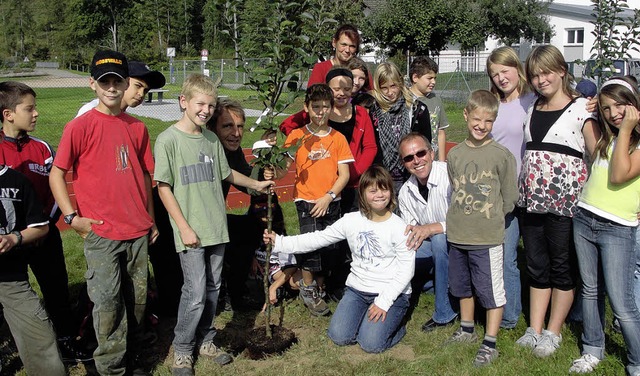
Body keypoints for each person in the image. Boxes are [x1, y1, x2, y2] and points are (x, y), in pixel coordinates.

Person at [153, 74, 273, 375]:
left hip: (216, 229)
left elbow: (228, 175)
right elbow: (163, 187)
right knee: (193, 292)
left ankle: (206, 340)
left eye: (210, 105)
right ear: (184, 102)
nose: (205, 110)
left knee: (212, 289)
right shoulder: (168, 140)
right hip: (190, 231)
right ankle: (182, 348)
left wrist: (258, 185)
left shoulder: (210, 140)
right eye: (200, 104)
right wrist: (183, 226)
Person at [49, 50, 157, 375]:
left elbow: (146, 175)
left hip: (137, 231)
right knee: (108, 305)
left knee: (136, 302)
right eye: (105, 81)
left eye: (118, 81)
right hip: (101, 233)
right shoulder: (79, 127)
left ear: (125, 84)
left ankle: (133, 355)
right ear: (92, 84)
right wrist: (72, 218)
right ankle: (109, 366)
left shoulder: (137, 127)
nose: (112, 87)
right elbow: (57, 173)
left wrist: (150, 218)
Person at [263, 165, 414, 353]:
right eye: (373, 190)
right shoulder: (351, 220)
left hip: (390, 292)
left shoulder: (400, 227)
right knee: (339, 336)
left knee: (370, 344)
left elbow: (406, 270)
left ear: (391, 192)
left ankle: (396, 325)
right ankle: (370, 321)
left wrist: (383, 302)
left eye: (384, 189)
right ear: (363, 194)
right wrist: (280, 242)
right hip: (358, 291)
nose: (379, 195)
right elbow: (317, 239)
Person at [515, 45, 599, 358]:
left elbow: (597, 154)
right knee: (537, 266)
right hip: (531, 201)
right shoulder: (532, 107)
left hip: (566, 204)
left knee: (562, 267)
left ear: (562, 71)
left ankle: (554, 331)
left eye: (547, 72)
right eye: (535, 75)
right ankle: (534, 328)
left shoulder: (582, 109)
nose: (541, 80)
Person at [0, 81, 92, 362]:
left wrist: (46, 224)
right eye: (30, 108)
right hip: (8, 241)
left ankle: (65, 339)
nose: (36, 113)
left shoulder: (42, 149)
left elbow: (57, 189)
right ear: (8, 114)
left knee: (56, 288)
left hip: (44, 234)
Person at [568, 77, 640, 376]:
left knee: (621, 302)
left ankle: (636, 361)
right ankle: (592, 348)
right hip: (585, 218)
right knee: (589, 291)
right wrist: (589, 108)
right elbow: (579, 118)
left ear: (634, 103)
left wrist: (624, 129)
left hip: (618, 228)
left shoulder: (631, 141)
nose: (613, 113)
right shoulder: (605, 137)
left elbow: (620, 175)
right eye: (607, 108)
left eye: (620, 105)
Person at [445, 90, 518, 367]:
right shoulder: (455, 154)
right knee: (463, 286)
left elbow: (510, 197)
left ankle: (490, 341)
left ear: (494, 122)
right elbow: (456, 187)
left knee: (490, 290)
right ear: (466, 116)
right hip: (458, 234)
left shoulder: (501, 155)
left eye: (488, 122)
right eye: (476, 119)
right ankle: (466, 329)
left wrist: (491, 216)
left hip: (486, 237)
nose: (481, 126)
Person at [282, 83, 354, 316]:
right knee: (310, 246)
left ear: (332, 109)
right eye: (316, 107)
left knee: (331, 248)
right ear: (306, 108)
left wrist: (329, 196)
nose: (321, 112)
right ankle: (308, 286)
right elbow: (283, 167)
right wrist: (273, 168)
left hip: (330, 201)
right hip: (306, 201)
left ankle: (319, 285)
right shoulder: (297, 136)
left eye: (325, 107)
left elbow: (344, 175)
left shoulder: (338, 138)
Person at [486, 46, 537, 330]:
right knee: (505, 257)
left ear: (517, 68)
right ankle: (509, 315)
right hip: (499, 193)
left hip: (531, 190)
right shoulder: (492, 105)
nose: (501, 78)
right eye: (495, 74)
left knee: (535, 256)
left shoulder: (534, 101)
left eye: (505, 71)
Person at [0, 163, 66, 376]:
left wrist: (14, 238)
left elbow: (41, 227)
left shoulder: (17, 181)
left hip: (10, 279)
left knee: (41, 337)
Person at [397, 132, 457, 331]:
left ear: (432, 153)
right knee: (402, 251)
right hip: (431, 244)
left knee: (440, 240)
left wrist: (433, 227)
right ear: (404, 163)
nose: (416, 161)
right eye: (409, 158)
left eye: (421, 153)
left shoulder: (451, 175)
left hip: (460, 241)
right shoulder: (406, 191)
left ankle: (445, 312)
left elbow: (467, 218)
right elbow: (411, 230)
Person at [370, 61, 431, 192]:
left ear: (400, 83)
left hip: (412, 174)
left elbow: (426, 142)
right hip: (384, 176)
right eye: (384, 88)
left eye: (393, 86)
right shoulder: (373, 112)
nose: (390, 92)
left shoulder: (417, 109)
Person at [76, 61, 166, 116]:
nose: (142, 94)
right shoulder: (90, 111)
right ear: (125, 82)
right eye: (138, 86)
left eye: (146, 90)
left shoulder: (126, 120)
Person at [307, 25, 372, 90]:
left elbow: (372, 95)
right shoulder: (321, 69)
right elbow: (311, 97)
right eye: (343, 45)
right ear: (334, 43)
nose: (347, 50)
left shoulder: (361, 72)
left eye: (352, 46)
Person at [409, 56, 450, 160]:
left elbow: (441, 132)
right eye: (429, 78)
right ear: (415, 78)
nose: (433, 82)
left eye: (435, 78)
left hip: (433, 159)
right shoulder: (405, 100)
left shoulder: (436, 100)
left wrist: (441, 162)